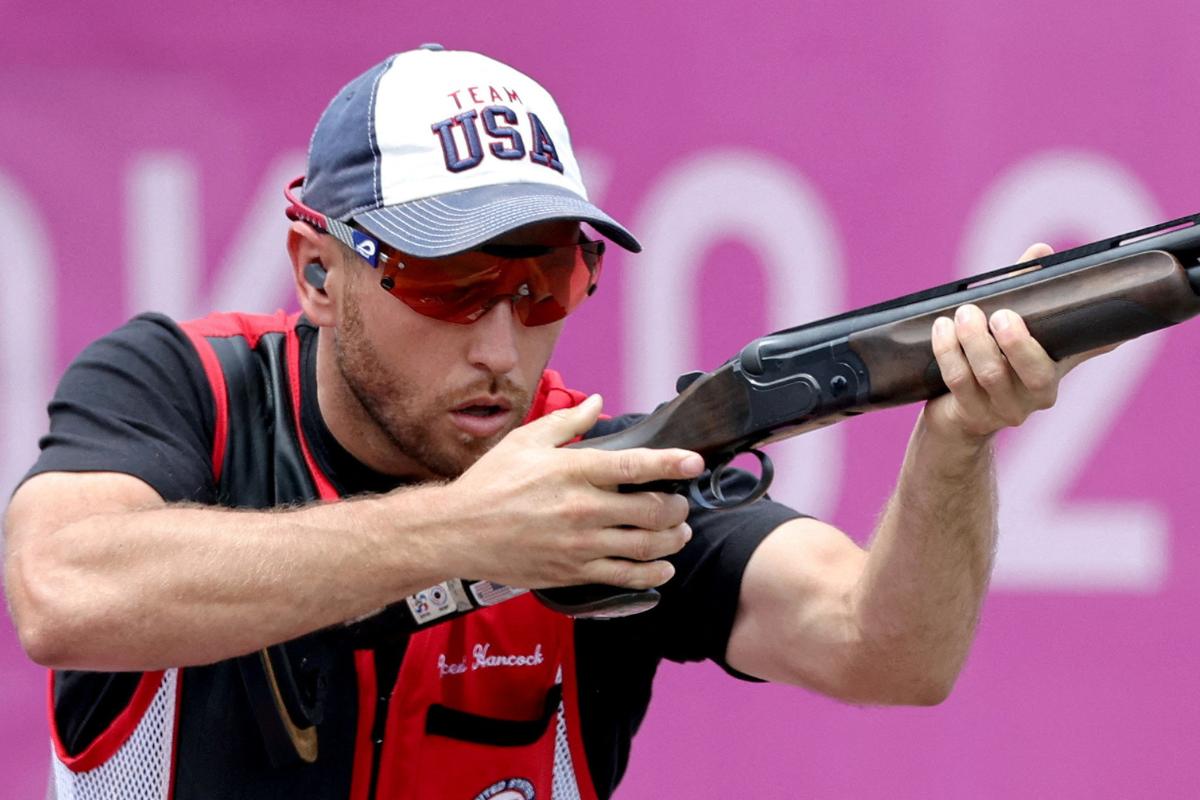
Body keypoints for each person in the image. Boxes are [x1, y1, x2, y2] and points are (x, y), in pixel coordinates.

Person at [3, 45, 1087, 799]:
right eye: (452, 281)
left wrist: (956, 442)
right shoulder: (184, 385)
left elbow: (886, 650)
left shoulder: (600, 480)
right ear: (318, 272)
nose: (499, 344)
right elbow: (65, 589)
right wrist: (465, 534)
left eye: (544, 282)